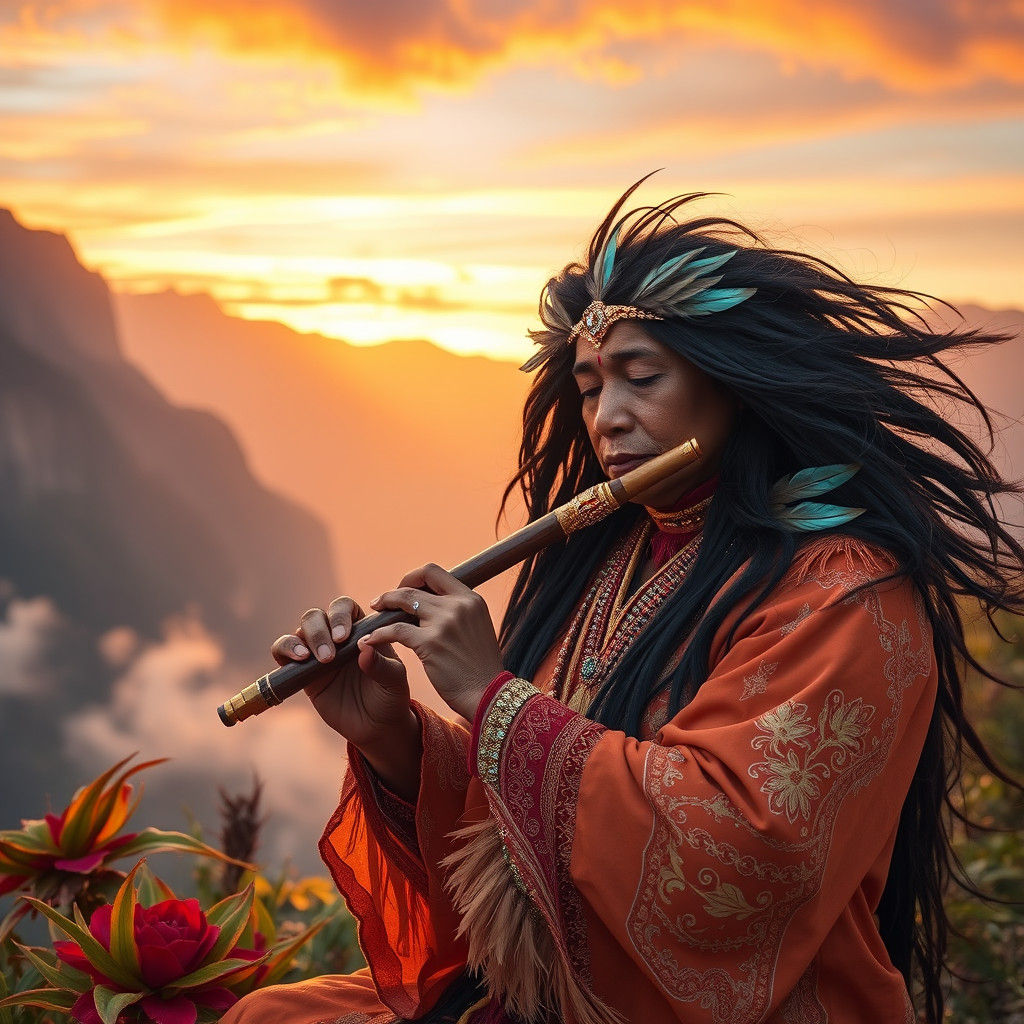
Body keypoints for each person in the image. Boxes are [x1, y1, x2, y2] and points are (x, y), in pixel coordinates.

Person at [222, 180, 1023, 1024]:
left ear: (733, 386)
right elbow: (516, 834)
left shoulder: (845, 591)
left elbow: (740, 861)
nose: (607, 418)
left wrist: (494, 699)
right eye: (589, 386)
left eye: (641, 378)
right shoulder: (609, 554)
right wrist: (393, 737)